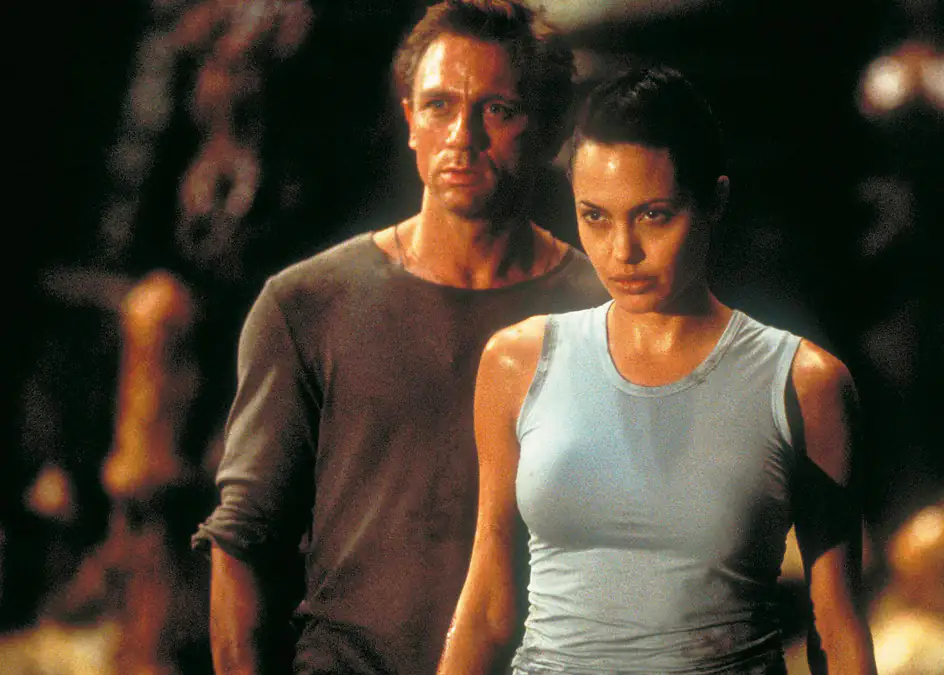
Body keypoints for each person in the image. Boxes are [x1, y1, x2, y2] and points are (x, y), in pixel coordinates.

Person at [191, 1, 609, 673]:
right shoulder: (308, 304)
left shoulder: (604, 313)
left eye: (497, 109)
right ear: (410, 119)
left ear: (552, 127)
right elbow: (244, 543)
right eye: (439, 106)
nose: (462, 137)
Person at [436, 66, 879, 675]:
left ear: (714, 201)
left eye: (654, 216)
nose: (623, 252)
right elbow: (487, 604)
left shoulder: (804, 384)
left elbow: (837, 624)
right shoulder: (517, 362)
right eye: (595, 217)